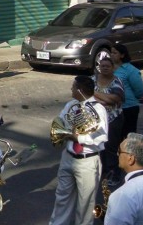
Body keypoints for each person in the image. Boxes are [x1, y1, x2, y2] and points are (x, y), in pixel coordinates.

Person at [48, 75, 109, 225]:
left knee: (85, 203)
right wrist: (66, 133)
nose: (71, 89)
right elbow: (60, 122)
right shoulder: (71, 105)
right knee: (62, 197)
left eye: (73, 87)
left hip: (88, 160)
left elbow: (101, 137)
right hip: (68, 157)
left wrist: (78, 138)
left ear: (80, 90)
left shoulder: (99, 110)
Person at [94, 54, 125, 184]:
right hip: (96, 121)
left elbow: (116, 99)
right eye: (102, 66)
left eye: (108, 66)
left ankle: (114, 174)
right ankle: (103, 173)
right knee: (98, 147)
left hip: (114, 120)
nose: (105, 68)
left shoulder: (117, 81)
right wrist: (105, 99)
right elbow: (85, 97)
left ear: (113, 68)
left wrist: (94, 93)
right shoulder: (92, 80)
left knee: (111, 148)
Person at [111, 43, 143, 145]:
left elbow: (139, 89)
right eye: (111, 52)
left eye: (115, 53)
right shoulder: (109, 68)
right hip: (113, 108)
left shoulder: (130, 70)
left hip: (129, 107)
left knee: (128, 137)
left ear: (122, 55)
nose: (111, 55)